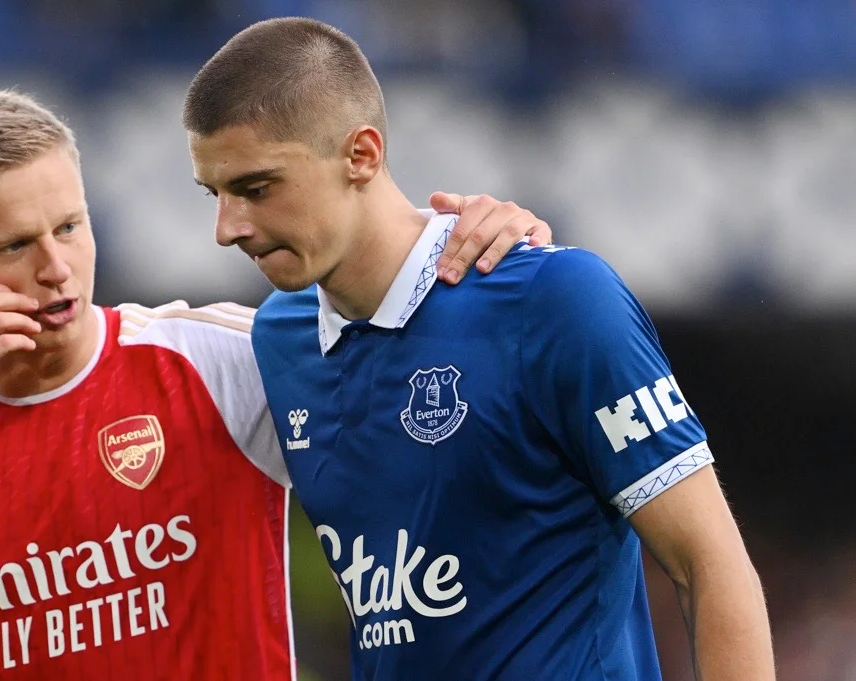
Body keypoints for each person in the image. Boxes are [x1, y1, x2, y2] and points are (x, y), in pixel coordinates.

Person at [0, 90, 553, 680]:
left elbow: (439, 361)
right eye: (14, 245)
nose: (55, 267)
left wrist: (490, 253)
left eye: (70, 227)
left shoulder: (218, 358)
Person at [184, 17, 776, 681]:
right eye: (215, 193)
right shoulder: (275, 340)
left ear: (362, 155)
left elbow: (708, 562)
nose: (227, 228)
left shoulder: (555, 300)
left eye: (256, 188)